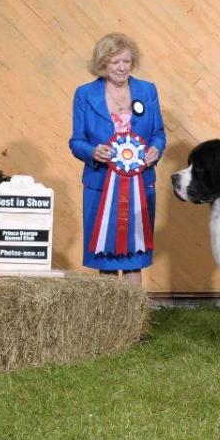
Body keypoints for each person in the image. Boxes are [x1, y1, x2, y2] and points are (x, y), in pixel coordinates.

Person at [69, 33, 166, 286]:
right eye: (115, 62)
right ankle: (109, 322)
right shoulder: (84, 94)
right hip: (100, 185)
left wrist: (155, 150)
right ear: (102, 64)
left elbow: (158, 133)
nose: (122, 67)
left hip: (140, 183)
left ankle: (134, 319)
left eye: (126, 61)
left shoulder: (147, 90)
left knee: (135, 256)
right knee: (106, 257)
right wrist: (92, 152)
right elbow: (76, 141)